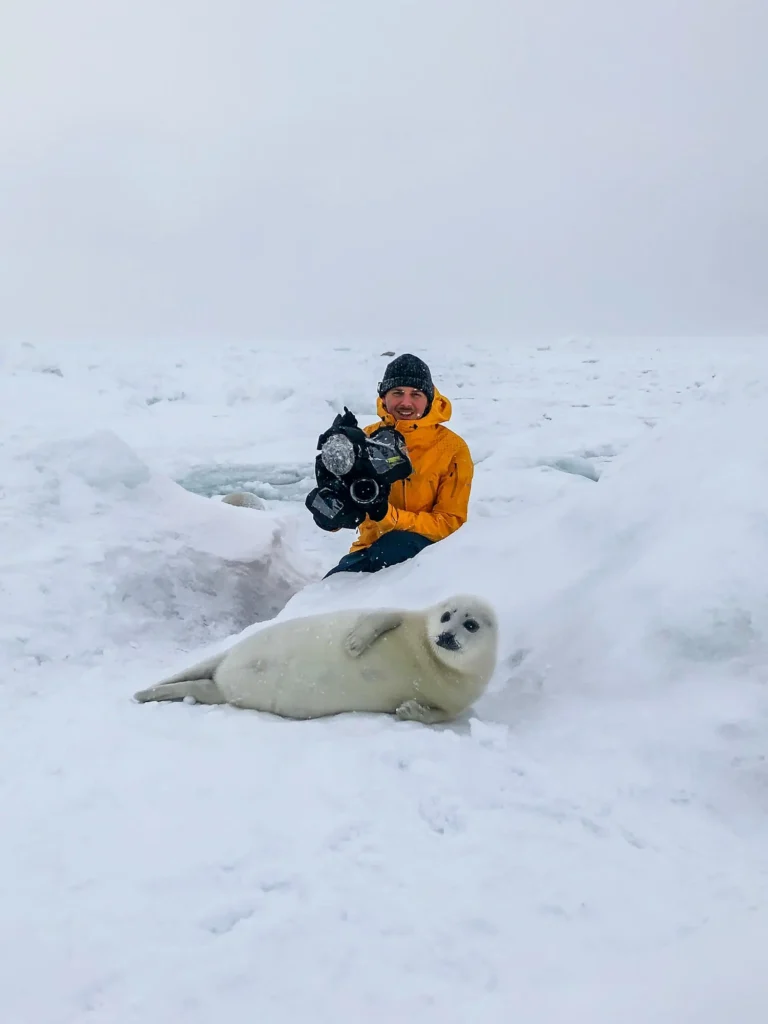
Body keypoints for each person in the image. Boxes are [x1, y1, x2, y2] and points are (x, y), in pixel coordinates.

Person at [323, 353, 474, 577]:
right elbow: (353, 504)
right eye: (397, 393)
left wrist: (389, 516)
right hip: (369, 550)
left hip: (429, 553)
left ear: (429, 399)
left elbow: (451, 523)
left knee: (395, 546)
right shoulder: (365, 438)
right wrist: (330, 511)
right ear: (384, 397)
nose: (406, 403)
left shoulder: (452, 449)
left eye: (416, 394)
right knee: (328, 591)